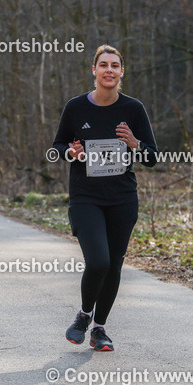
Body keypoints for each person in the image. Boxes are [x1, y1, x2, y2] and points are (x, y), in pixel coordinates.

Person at [51, 44, 157, 352]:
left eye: (115, 65)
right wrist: (70, 151)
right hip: (85, 197)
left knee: (114, 266)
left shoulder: (133, 109)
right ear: (94, 71)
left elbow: (152, 157)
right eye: (103, 65)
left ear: (122, 72)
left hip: (123, 199)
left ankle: (100, 329)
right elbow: (56, 147)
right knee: (98, 261)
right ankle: (85, 314)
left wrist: (136, 143)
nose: (109, 70)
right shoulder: (75, 108)